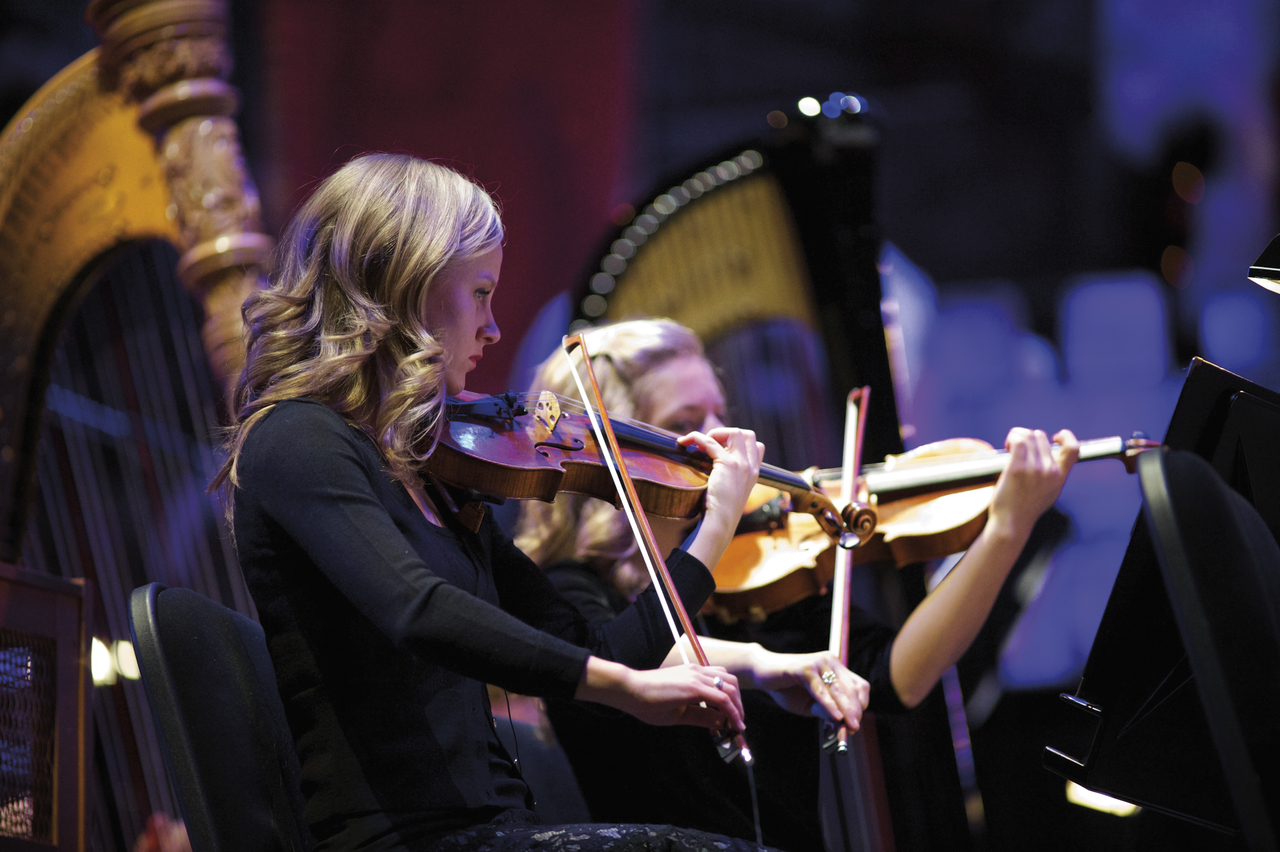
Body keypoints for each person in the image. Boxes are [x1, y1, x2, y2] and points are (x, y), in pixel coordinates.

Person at [212, 152, 865, 852]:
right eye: (481, 293)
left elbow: (603, 647)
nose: (492, 329)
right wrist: (620, 689)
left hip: (494, 828)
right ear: (409, 285)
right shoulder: (295, 438)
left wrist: (712, 530)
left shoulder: (429, 472)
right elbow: (417, 609)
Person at [515, 318, 1080, 850]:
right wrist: (761, 647)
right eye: (687, 422)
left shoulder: (757, 567)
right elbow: (631, 654)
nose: (726, 439)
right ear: (613, 445)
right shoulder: (567, 589)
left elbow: (895, 679)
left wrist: (1006, 530)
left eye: (721, 412)